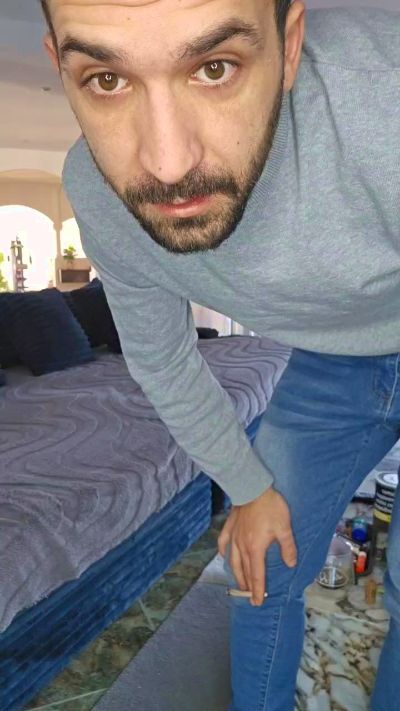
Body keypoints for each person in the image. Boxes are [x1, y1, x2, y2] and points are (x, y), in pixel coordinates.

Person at [41, 1, 400, 708]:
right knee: (260, 562)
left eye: (214, 67)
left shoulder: (381, 95)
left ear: (288, 46)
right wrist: (248, 488)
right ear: (61, 69)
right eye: (108, 79)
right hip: (332, 361)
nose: (168, 164)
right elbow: (163, 359)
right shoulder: (97, 191)